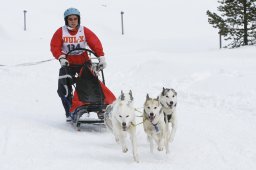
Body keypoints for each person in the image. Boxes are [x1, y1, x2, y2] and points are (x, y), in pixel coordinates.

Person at [50, 8, 107, 122]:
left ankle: (99, 109)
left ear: (78, 19)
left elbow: (94, 42)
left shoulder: (83, 30)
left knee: (92, 84)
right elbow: (54, 46)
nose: (73, 21)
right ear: (66, 20)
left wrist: (100, 56)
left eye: (75, 19)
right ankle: (70, 111)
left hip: (84, 63)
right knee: (63, 88)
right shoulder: (60, 32)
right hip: (68, 64)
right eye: (70, 19)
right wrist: (61, 57)